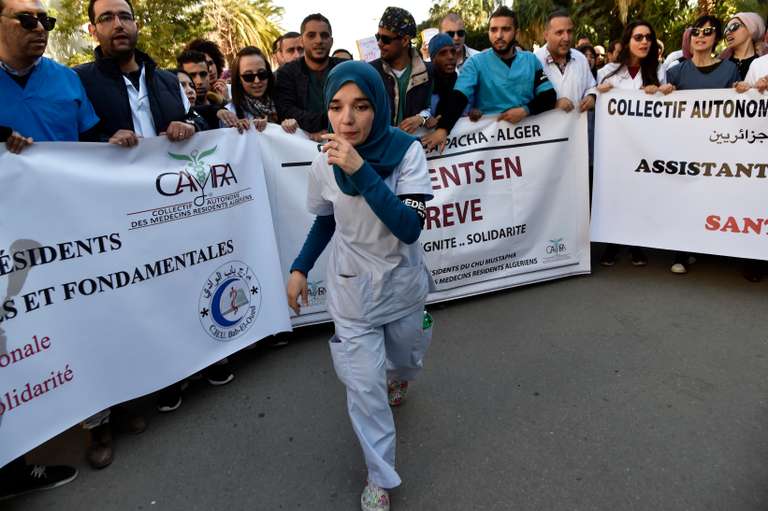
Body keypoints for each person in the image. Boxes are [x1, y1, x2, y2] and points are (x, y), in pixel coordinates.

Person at [286, 60, 433, 511]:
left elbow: (409, 227)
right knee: (366, 388)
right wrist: (300, 267)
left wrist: (361, 169)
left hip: (402, 284)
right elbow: (325, 221)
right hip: (352, 293)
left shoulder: (407, 153)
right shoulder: (323, 162)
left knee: (404, 357)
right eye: (336, 107)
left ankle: (402, 373)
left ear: (380, 107)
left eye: (361, 106)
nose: (346, 119)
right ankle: (379, 475)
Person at [0, 0, 97, 496]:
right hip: (8, 245)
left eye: (46, 20)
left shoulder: (66, 79)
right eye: (27, 19)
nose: (40, 27)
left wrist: (121, 141)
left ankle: (96, 418)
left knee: (76, 323)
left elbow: (94, 145)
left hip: (70, 236)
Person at [664, 16, 740, 275]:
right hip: (684, 147)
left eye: (708, 32)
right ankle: (681, 252)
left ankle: (703, 245)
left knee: (709, 198)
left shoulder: (730, 70)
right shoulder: (675, 72)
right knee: (684, 198)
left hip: (717, 147)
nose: (700, 36)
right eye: (696, 31)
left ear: (716, 38)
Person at [425, 5, 556, 153]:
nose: (499, 35)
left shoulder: (530, 60)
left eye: (505, 29)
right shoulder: (475, 63)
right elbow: (459, 97)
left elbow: (549, 96)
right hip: (490, 147)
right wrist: (443, 129)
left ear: (516, 32)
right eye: (493, 30)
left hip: (530, 142)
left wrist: (525, 110)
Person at [596, 20, 668, 268]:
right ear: (627, 41)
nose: (644, 42)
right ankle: (613, 243)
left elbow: (666, 109)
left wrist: (662, 91)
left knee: (639, 194)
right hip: (615, 147)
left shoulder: (659, 70)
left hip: (644, 146)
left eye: (648, 37)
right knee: (614, 194)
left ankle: (636, 243)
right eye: (638, 37)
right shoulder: (607, 72)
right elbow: (593, 100)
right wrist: (598, 92)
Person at [274, 13, 344, 141]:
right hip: (303, 145)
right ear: (301, 40)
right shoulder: (286, 73)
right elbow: (287, 111)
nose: (319, 41)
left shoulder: (345, 69)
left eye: (324, 35)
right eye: (311, 35)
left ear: (331, 41)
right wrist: (327, 124)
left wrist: (328, 129)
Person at [370, 6, 433, 133]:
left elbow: (439, 106)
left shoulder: (429, 72)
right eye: (378, 37)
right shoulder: (371, 72)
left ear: (404, 41)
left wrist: (422, 118)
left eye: (386, 39)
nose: (379, 43)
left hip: (418, 144)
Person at [534, 11, 596, 114]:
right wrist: (552, 104)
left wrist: (591, 96)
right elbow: (525, 101)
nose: (566, 38)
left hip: (576, 123)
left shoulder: (580, 58)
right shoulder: (534, 61)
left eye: (569, 31)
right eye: (559, 32)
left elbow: (591, 87)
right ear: (546, 35)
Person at [226, 45, 298, 133]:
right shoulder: (230, 113)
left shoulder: (285, 101)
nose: (257, 81)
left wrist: (293, 126)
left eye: (262, 74)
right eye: (248, 76)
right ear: (238, 79)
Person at [720, 13, 766, 80]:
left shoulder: (764, 63)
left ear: (751, 29)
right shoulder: (720, 63)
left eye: (734, 26)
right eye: (726, 29)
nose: (727, 33)